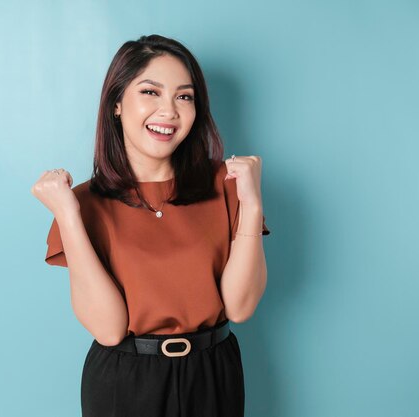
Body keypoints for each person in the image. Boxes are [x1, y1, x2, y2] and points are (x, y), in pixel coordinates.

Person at [31, 34, 271, 417]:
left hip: (213, 373)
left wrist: (252, 202)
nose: (169, 111)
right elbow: (109, 330)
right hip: (125, 382)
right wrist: (69, 215)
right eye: (150, 92)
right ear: (116, 105)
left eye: (184, 96)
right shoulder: (81, 203)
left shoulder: (228, 186)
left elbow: (240, 307)